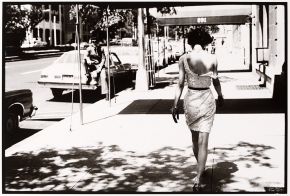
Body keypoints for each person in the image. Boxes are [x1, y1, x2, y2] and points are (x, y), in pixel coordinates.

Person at [171, 27, 224, 189]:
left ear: (191, 41)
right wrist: (221, 95)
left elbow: (180, 84)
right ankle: (199, 176)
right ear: (206, 41)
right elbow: (215, 81)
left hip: (191, 99)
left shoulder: (183, 59)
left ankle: (200, 168)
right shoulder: (213, 58)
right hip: (207, 98)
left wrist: (174, 104)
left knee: (195, 138)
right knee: (204, 140)